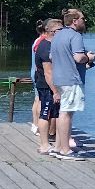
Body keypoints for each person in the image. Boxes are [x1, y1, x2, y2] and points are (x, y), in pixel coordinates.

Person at [48, 8, 95, 160]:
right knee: (66, 114)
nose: (84, 21)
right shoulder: (76, 36)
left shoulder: (57, 35)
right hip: (71, 80)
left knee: (63, 112)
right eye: (82, 18)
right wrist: (88, 57)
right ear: (75, 21)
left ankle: (58, 147)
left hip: (59, 79)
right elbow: (78, 58)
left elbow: (52, 56)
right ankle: (65, 150)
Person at [33, 18, 61, 152]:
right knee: (45, 113)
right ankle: (44, 145)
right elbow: (48, 73)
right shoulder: (45, 47)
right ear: (52, 31)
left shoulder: (53, 45)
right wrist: (55, 91)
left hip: (52, 85)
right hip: (46, 86)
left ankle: (55, 144)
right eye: (60, 30)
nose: (62, 32)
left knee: (53, 114)